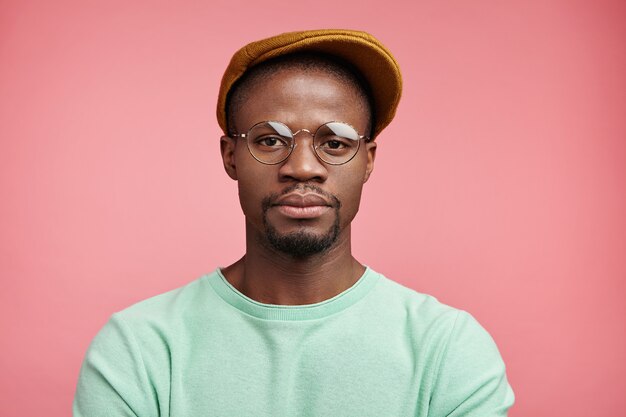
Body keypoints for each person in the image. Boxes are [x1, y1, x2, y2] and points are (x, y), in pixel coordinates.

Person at [74, 29, 514, 417]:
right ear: (230, 157)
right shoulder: (140, 350)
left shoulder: (448, 350)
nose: (303, 167)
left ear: (367, 161)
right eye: (269, 140)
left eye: (336, 142)